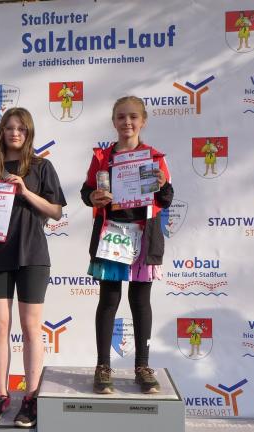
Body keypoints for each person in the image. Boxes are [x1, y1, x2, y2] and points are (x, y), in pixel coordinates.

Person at [0, 107, 67, 428]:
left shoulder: (41, 166)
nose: (15, 133)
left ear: (28, 133)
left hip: (32, 255)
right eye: (10, 127)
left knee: (30, 328)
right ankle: (0, 395)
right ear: (2, 132)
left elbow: (55, 211)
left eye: (21, 129)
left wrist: (25, 191)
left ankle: (31, 397)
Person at [80, 96, 173, 394]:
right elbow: (87, 191)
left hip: (143, 236)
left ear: (143, 121)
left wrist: (162, 184)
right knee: (109, 300)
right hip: (112, 235)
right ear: (113, 121)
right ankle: (103, 366)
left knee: (141, 302)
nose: (127, 122)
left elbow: (166, 199)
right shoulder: (102, 157)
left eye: (133, 117)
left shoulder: (154, 158)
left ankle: (142, 366)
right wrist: (93, 197)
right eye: (121, 117)